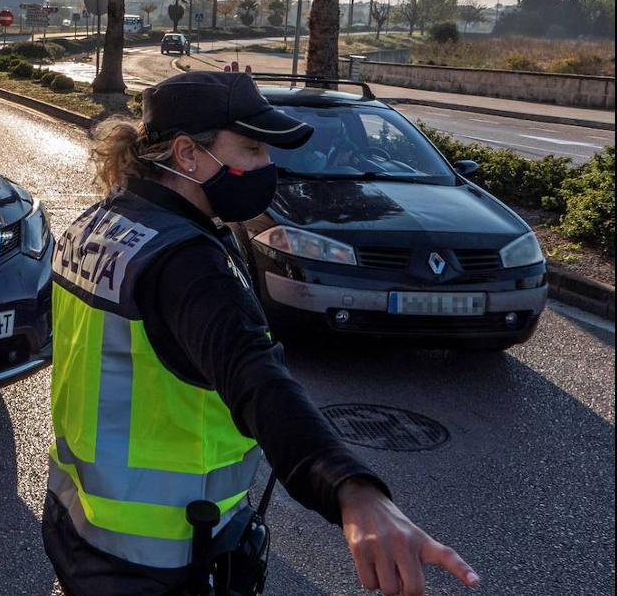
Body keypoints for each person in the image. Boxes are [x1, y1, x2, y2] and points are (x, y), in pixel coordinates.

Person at [43, 71, 479, 596]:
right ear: (187, 155)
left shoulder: (101, 222)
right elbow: (257, 378)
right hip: (164, 555)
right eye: (251, 149)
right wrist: (352, 491)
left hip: (79, 526)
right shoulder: (186, 262)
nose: (266, 167)